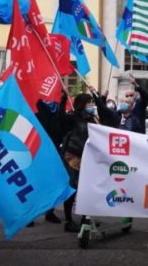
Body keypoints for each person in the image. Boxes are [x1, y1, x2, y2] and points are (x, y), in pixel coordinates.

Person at [60, 93, 99, 232]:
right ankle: (68, 221)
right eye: (89, 102)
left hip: (88, 157)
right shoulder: (73, 116)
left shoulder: (93, 118)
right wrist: (63, 99)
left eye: (92, 102)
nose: (91, 105)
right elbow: (61, 118)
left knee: (86, 188)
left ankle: (86, 218)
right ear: (82, 104)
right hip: (73, 157)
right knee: (73, 187)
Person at [34, 93, 69, 225]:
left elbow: (62, 121)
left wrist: (64, 99)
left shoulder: (57, 108)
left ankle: (50, 212)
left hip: (55, 149)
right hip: (39, 149)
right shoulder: (38, 106)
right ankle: (31, 214)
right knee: (37, 183)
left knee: (52, 182)